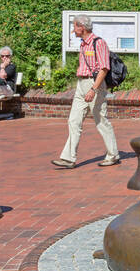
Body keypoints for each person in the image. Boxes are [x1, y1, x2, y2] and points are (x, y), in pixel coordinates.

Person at [51, 15, 120, 168]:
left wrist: (93, 89)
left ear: (82, 27)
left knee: (101, 121)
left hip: (94, 84)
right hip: (81, 84)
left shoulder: (99, 43)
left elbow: (104, 68)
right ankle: (69, 158)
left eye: (75, 26)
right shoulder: (83, 44)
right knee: (73, 121)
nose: (73, 30)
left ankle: (113, 154)